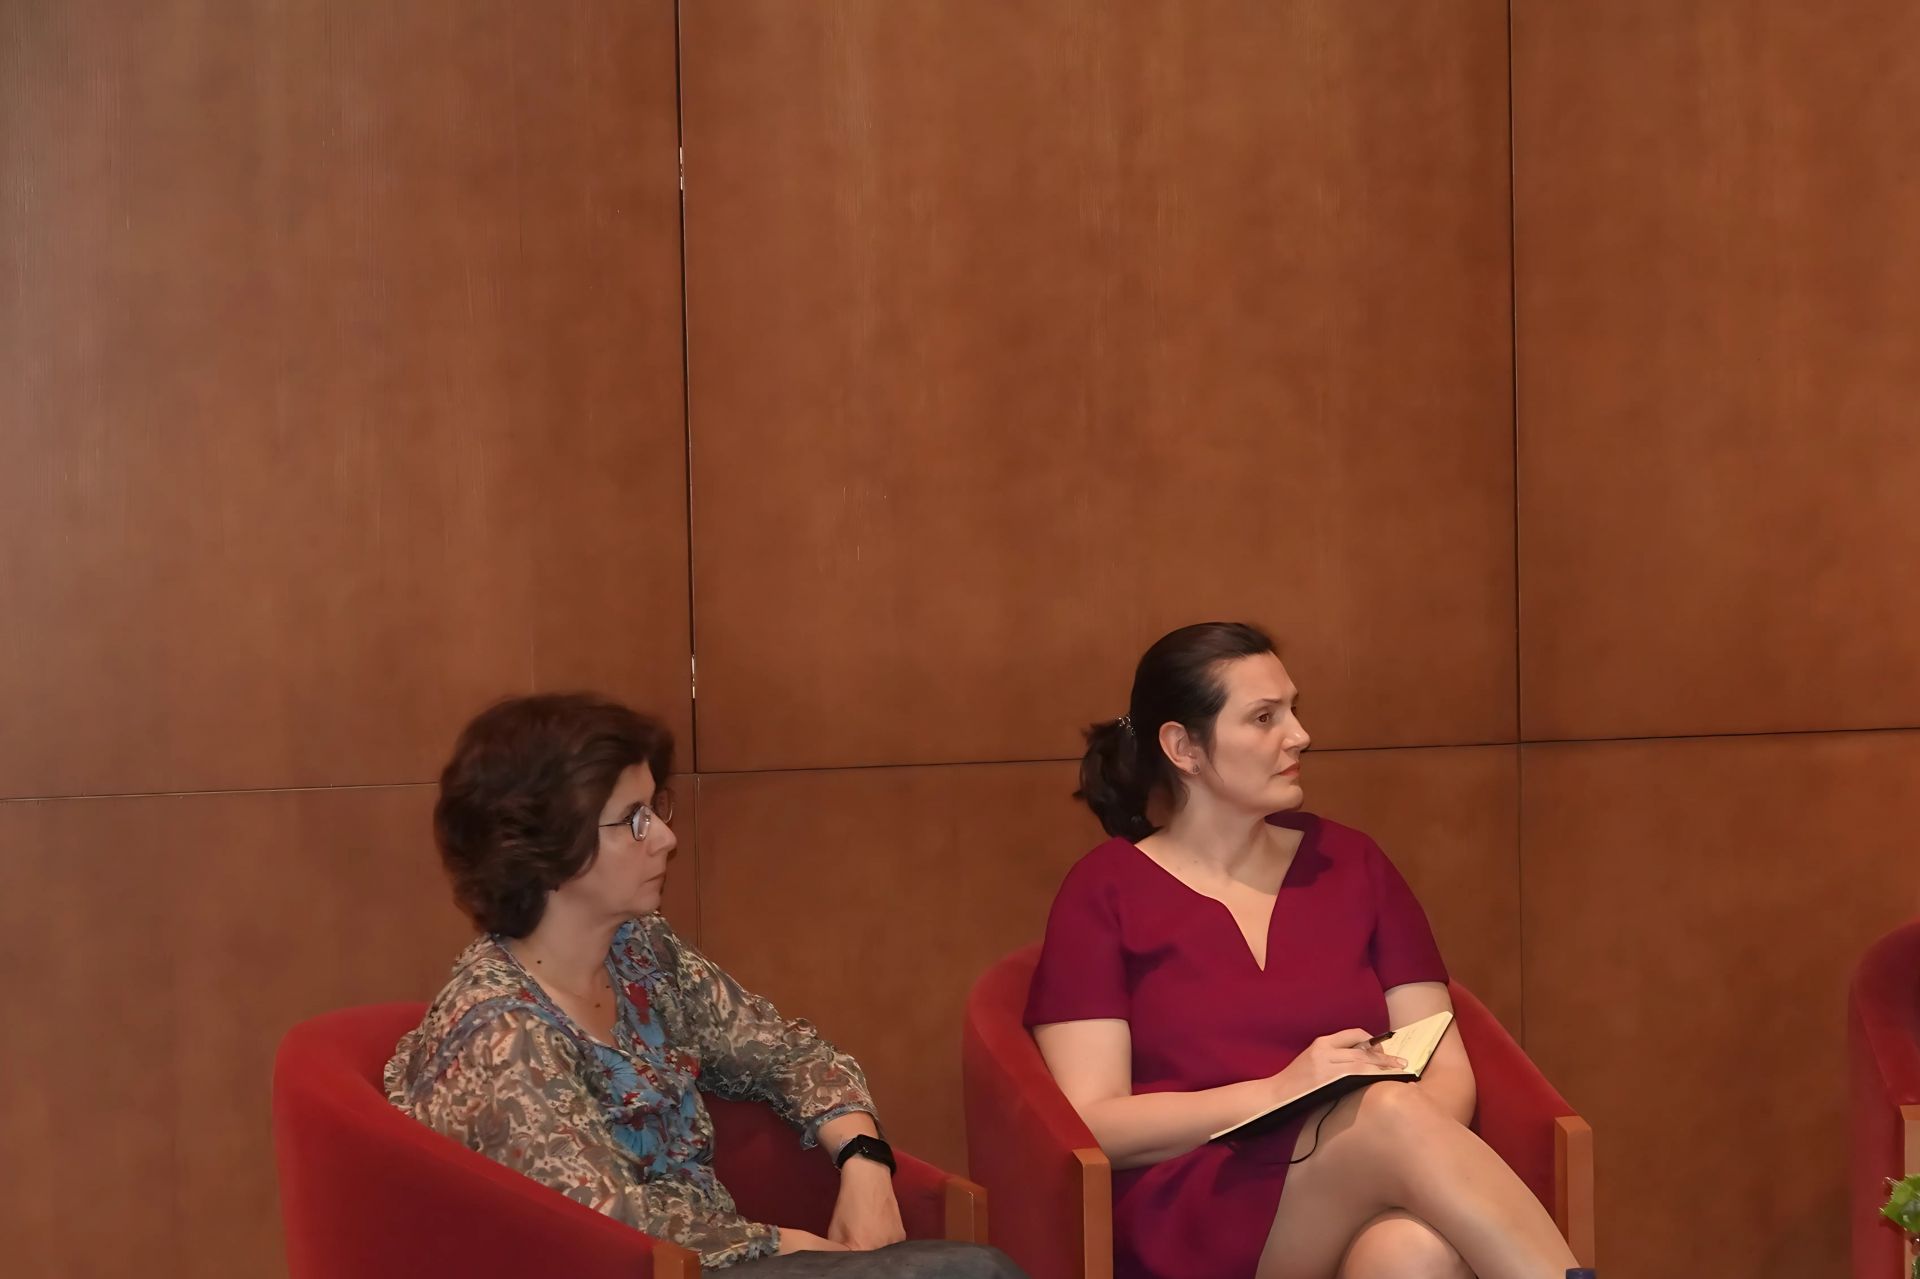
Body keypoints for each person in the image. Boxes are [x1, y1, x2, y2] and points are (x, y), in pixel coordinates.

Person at [386, 692, 1023, 1277]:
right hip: (666, 1269)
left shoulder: (639, 951)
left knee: (974, 1268)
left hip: (726, 1260)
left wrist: (865, 1161)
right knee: (973, 1272)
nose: (665, 837)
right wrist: (796, 1246)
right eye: (632, 820)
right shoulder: (501, 1028)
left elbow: (788, 1053)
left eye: (654, 809)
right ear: (543, 847)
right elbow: (605, 1225)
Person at [1026, 623, 1581, 1279]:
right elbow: (1094, 1121)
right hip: (1195, 1200)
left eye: (1293, 709)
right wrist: (1279, 1091)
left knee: (1413, 1251)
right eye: (1265, 717)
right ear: (1182, 747)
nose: (1300, 735)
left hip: (1356, 1176)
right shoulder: (1104, 890)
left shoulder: (1352, 863)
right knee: (1384, 1109)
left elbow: (1446, 1067)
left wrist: (1385, 1147)